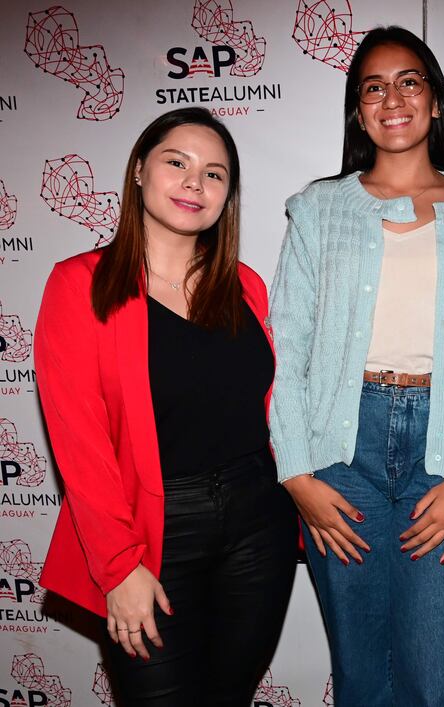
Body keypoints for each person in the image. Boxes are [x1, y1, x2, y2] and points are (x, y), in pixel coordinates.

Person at [268, 25, 444, 707]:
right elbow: (286, 346)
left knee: (437, 678)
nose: (392, 98)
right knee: (362, 674)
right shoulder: (320, 208)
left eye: (409, 80)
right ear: (358, 110)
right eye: (372, 87)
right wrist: (296, 471)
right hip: (339, 453)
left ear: (436, 100)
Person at [35, 107, 297, 707]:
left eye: (215, 173)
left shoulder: (246, 285)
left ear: (227, 195)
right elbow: (81, 443)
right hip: (152, 533)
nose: (194, 183)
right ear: (137, 171)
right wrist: (120, 568)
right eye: (176, 162)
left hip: (260, 524)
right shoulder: (81, 284)